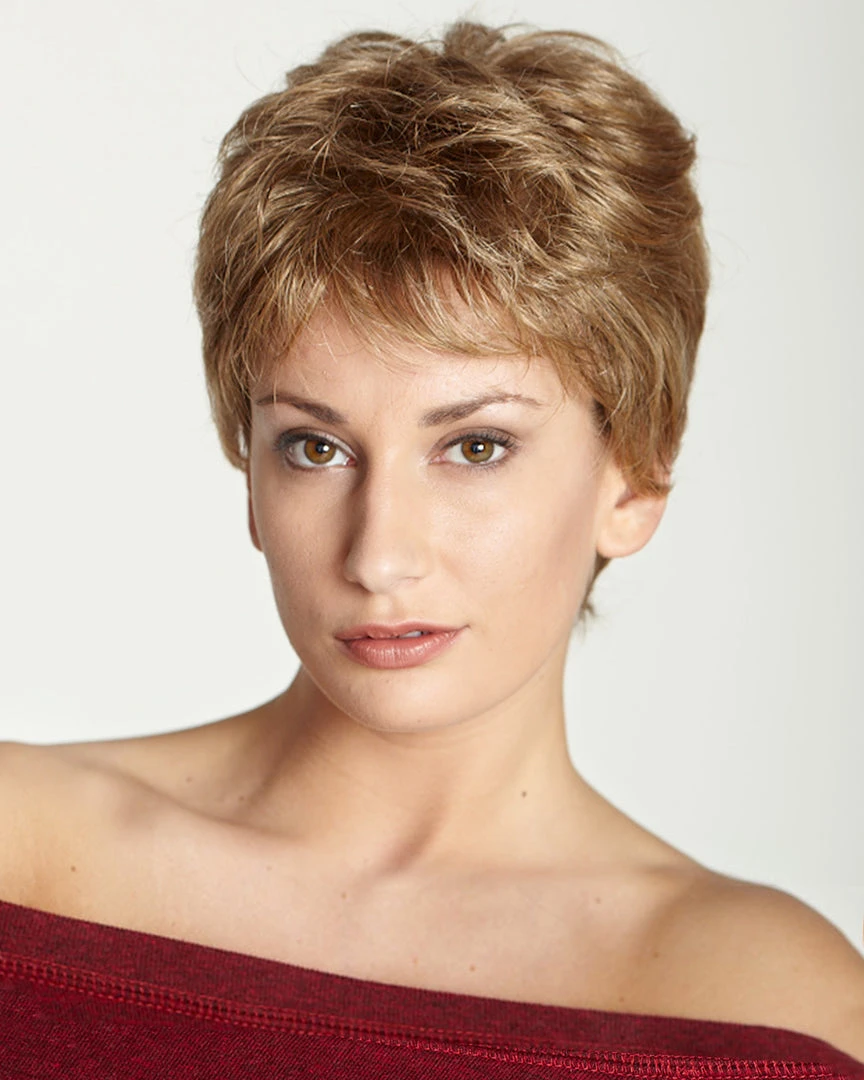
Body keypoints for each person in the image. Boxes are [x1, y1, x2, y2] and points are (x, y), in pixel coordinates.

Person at [1, 19, 862, 1077]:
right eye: (315, 447)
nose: (379, 556)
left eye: (475, 446)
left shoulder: (773, 1010)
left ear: (634, 477)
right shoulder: (22, 860)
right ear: (250, 473)